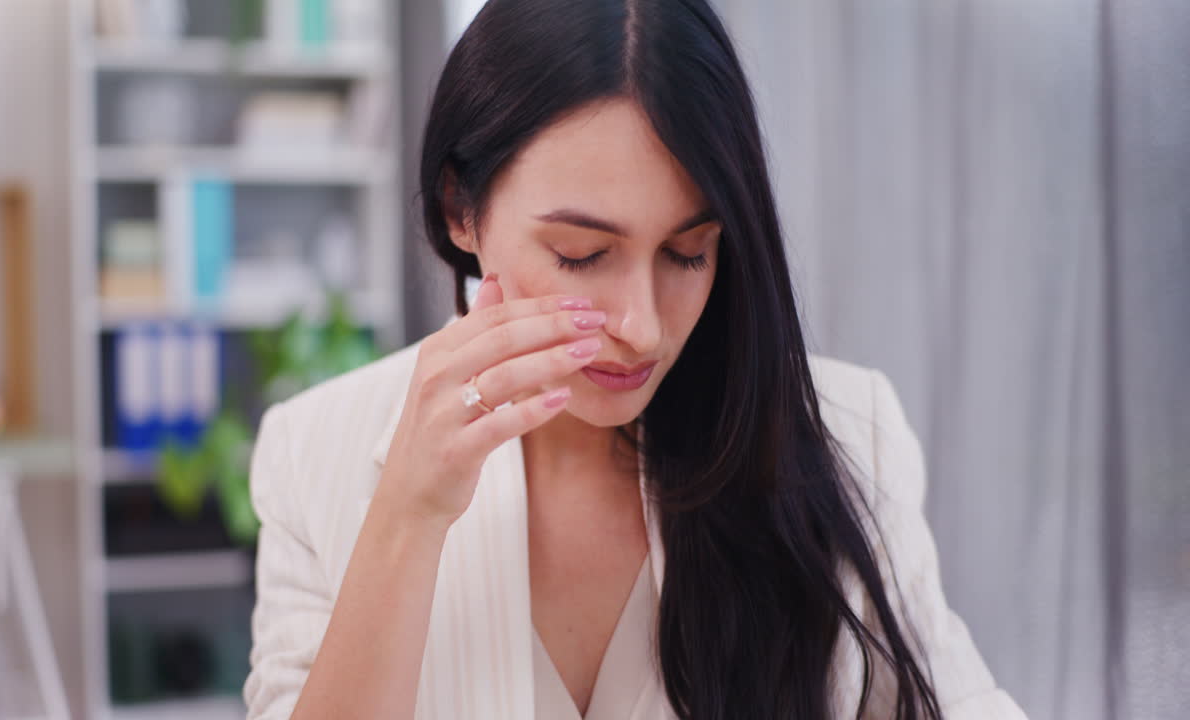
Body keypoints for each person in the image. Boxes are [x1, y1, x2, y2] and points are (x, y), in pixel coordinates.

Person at [243, 0, 1030, 718]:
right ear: (461, 209)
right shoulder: (316, 454)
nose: (643, 328)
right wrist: (407, 519)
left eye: (688, 253)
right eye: (582, 255)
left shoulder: (847, 435)